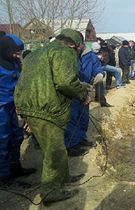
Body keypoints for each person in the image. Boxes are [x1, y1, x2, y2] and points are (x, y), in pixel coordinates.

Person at [14, 29, 90, 205]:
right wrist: (82, 94)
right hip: (46, 109)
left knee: (58, 146)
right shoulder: (65, 52)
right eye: (79, 46)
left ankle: (63, 179)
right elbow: (65, 81)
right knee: (54, 151)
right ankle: (50, 192)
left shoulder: (37, 53)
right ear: (73, 44)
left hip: (28, 105)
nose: (78, 49)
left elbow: (31, 80)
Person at [0, 34, 36, 187]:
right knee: (2, 141)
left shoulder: (15, 63)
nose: (18, 55)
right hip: (1, 108)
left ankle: (15, 166)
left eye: (19, 52)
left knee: (17, 136)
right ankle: (4, 175)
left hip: (13, 106)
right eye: (15, 52)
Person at [64, 32, 103, 157]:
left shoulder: (90, 55)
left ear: (81, 43)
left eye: (77, 45)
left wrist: (99, 74)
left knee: (84, 116)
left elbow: (97, 67)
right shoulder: (67, 55)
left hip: (85, 90)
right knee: (72, 118)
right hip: (72, 91)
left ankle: (81, 139)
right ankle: (71, 145)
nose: (76, 47)